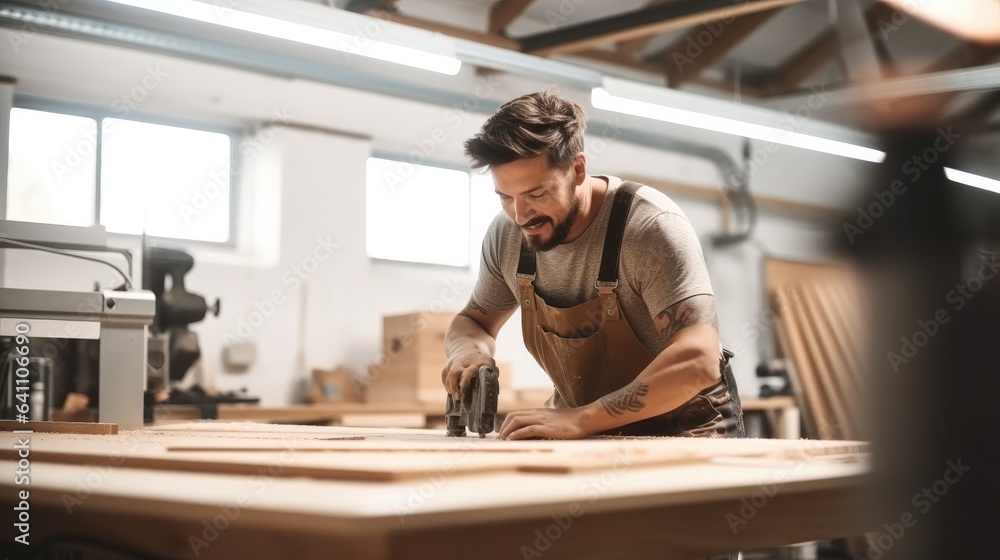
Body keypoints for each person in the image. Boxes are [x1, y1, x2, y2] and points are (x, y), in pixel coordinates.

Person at [442, 89, 744, 442]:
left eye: (537, 195)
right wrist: (469, 351)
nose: (521, 216)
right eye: (506, 197)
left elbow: (699, 359)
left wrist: (582, 419)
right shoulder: (508, 235)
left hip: (688, 430)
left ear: (578, 169)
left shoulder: (650, 228)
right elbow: (473, 322)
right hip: (587, 429)